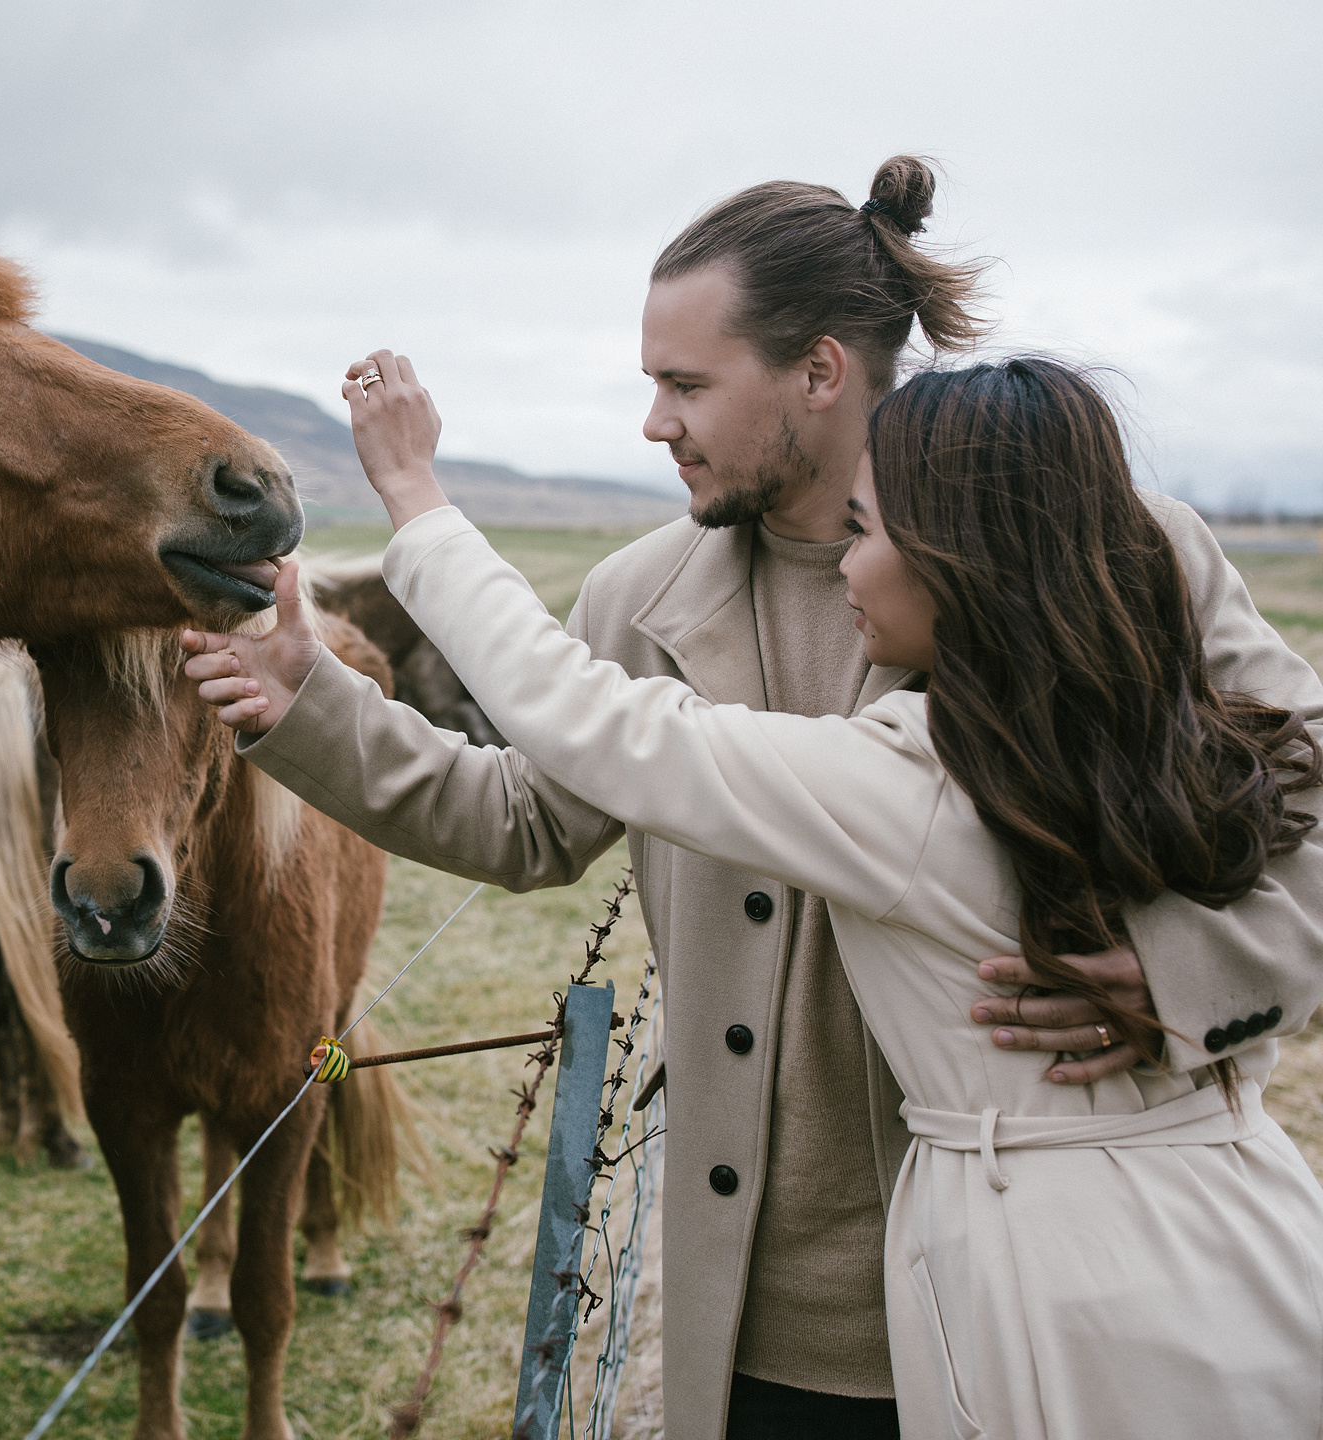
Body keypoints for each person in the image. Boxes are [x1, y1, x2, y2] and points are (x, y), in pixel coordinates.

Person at [181, 159, 1323, 1440]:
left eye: (685, 386)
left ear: (820, 372)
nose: (654, 426)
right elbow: (531, 816)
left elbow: (1301, 783)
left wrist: (1187, 971)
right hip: (780, 1302)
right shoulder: (634, 594)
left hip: (1055, 1261)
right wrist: (311, 710)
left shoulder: (1106, 539)